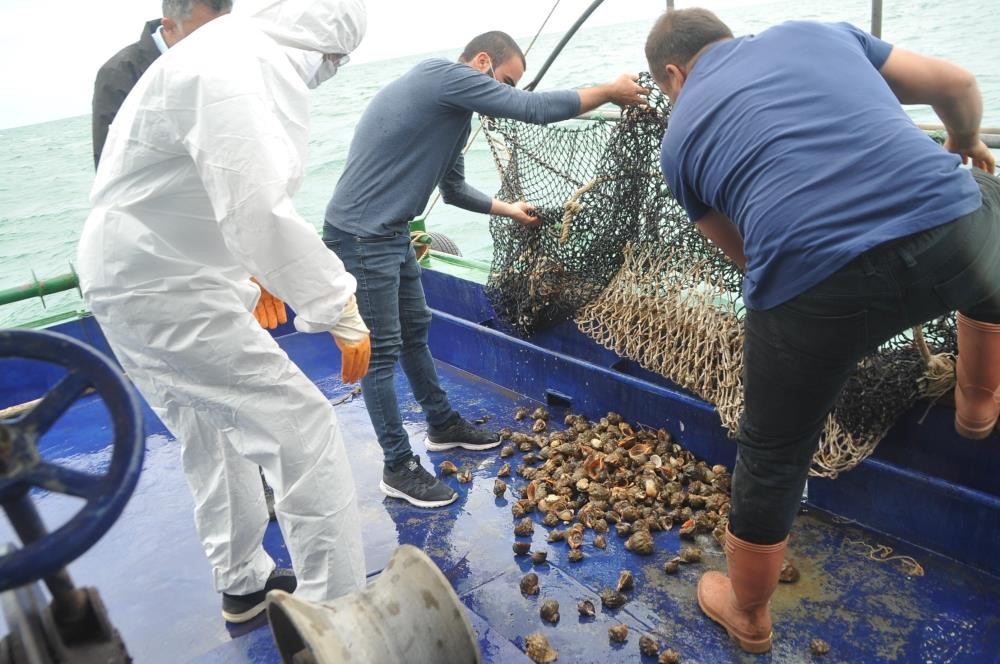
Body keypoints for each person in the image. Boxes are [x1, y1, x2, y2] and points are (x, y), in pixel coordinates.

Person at [644, 8, 999, 653]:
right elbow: (957, 86)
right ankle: (978, 402)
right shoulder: (815, 31)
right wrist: (966, 142)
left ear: (674, 73)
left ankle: (749, 613)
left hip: (814, 290)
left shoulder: (677, 141)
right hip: (950, 230)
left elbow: (743, 254)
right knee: (988, 213)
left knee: (773, 452)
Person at [77, 0, 370, 622]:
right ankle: (336, 617)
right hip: (165, 287)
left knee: (211, 428)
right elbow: (258, 207)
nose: (328, 73)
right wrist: (336, 303)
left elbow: (202, 193)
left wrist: (265, 273)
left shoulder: (214, 53)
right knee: (303, 427)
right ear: (322, 44)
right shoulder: (236, 64)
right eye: (335, 62)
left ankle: (242, 580)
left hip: (133, 279)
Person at [323, 31, 648, 509]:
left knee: (416, 330)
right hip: (360, 236)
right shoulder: (442, 76)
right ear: (480, 63)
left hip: (390, 233)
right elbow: (533, 109)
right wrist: (608, 91)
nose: (508, 94)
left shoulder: (452, 114)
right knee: (382, 353)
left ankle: (442, 425)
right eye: (508, 81)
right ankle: (396, 466)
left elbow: (453, 189)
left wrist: (508, 210)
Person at [92, 0, 232, 169]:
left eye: (223, 32)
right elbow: (109, 164)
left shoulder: (227, 60)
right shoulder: (119, 74)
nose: (216, 44)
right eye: (203, 36)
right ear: (169, 26)